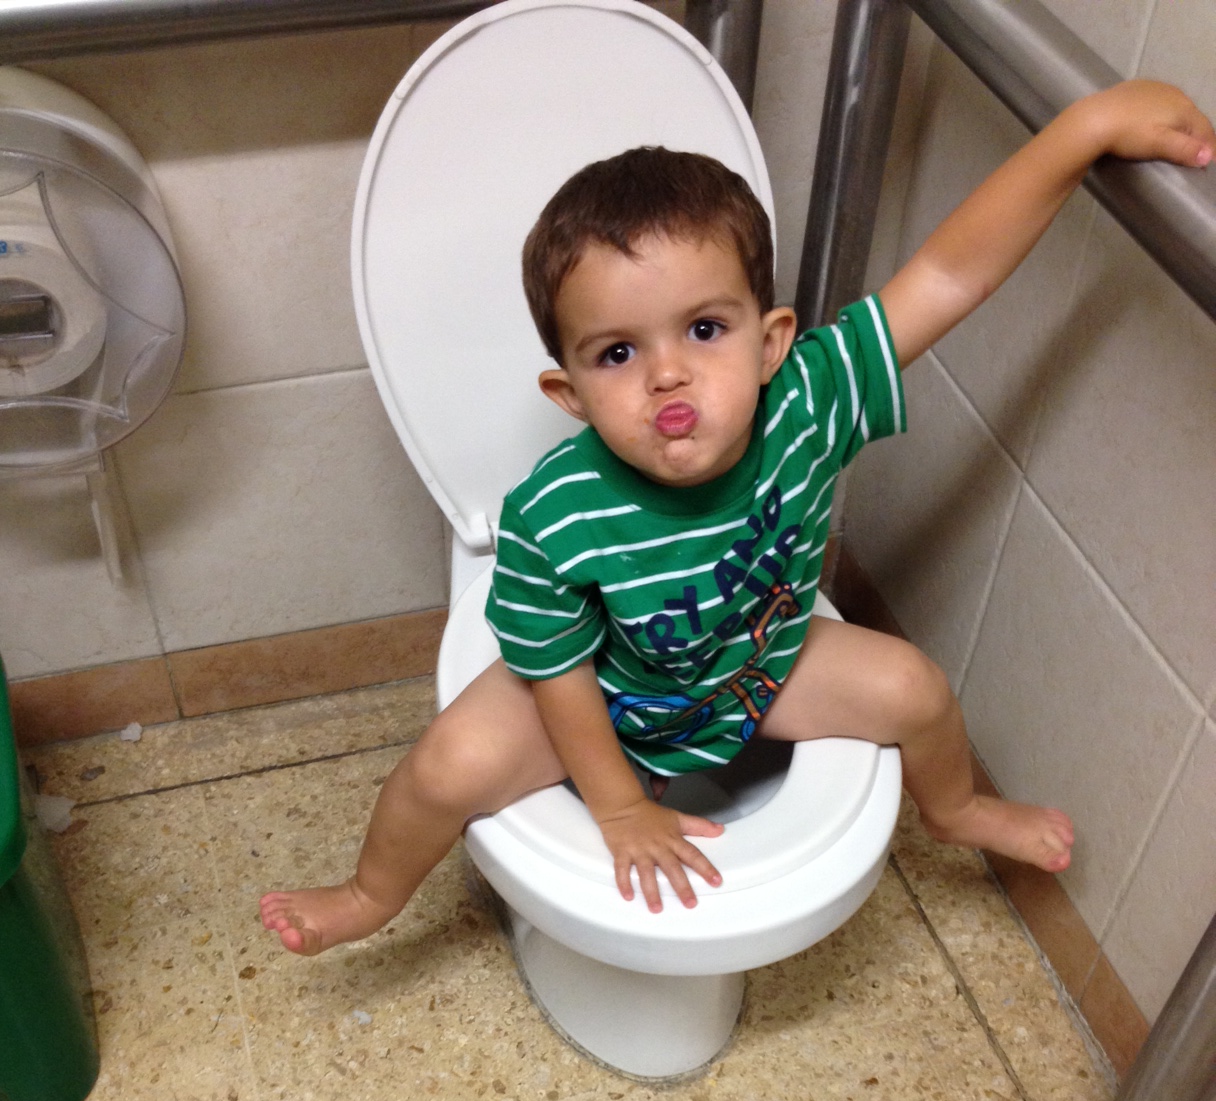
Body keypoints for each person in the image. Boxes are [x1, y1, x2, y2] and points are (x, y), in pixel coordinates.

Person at [261, 80, 1213, 953]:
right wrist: (619, 806)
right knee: (442, 768)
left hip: (758, 667)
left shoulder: (809, 401)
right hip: (611, 693)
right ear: (569, 395)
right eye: (618, 353)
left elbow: (951, 275)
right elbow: (556, 672)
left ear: (771, 344)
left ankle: (956, 810)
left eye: (705, 329)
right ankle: (369, 894)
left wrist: (1084, 129)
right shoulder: (555, 511)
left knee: (915, 689)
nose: (668, 373)